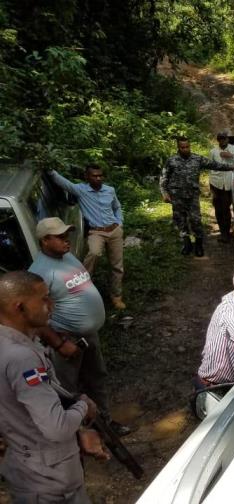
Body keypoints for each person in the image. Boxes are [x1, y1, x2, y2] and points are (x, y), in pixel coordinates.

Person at [0, 271, 102, 503]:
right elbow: (57, 427)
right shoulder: (22, 357)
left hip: (26, 469)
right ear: (20, 307)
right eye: (44, 298)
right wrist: (83, 407)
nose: (51, 304)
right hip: (49, 481)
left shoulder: (13, 344)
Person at [27, 217, 130, 436]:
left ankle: (105, 423)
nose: (67, 240)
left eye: (67, 235)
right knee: (68, 388)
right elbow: (34, 318)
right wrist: (59, 343)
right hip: (66, 339)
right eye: (60, 237)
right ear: (45, 240)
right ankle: (78, 435)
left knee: (97, 377)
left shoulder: (67, 256)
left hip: (88, 335)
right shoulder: (39, 273)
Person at [47, 164, 126, 310]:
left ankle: (116, 296)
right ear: (87, 177)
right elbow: (63, 182)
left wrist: (119, 222)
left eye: (100, 175)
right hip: (96, 232)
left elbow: (117, 207)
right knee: (94, 254)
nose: (98, 178)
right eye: (94, 176)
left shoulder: (110, 190)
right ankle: (82, 289)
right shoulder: (81, 190)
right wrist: (49, 168)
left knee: (117, 266)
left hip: (114, 231)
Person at [160, 136, 234, 257]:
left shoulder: (197, 159)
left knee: (195, 220)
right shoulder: (171, 160)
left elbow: (214, 165)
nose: (185, 149)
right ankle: (186, 243)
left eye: (187, 147)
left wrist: (232, 167)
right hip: (177, 196)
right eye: (182, 147)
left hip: (192, 196)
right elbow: (164, 177)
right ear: (178, 147)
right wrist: (164, 193)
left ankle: (199, 244)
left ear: (189, 146)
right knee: (180, 220)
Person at [208, 132, 234, 243]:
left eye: (224, 138)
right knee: (218, 209)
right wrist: (211, 186)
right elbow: (210, 167)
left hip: (230, 184)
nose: (222, 141)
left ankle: (228, 232)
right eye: (220, 139)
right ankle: (223, 233)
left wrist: (231, 156)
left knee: (226, 208)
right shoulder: (213, 151)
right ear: (218, 140)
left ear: (227, 139)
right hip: (216, 183)